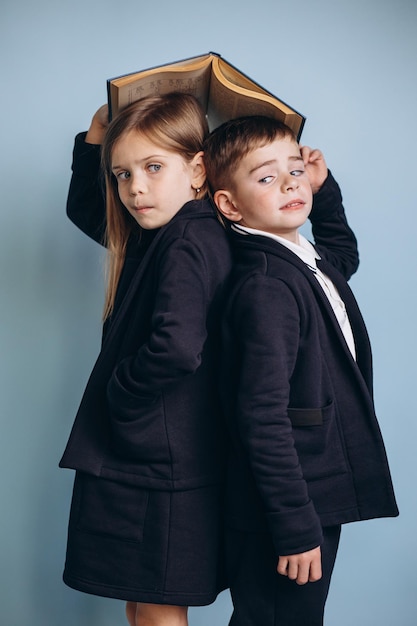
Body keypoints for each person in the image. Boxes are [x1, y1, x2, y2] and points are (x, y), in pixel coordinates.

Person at [203, 115, 399, 625]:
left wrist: (323, 187)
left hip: (308, 495)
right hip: (284, 506)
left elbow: (344, 256)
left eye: (294, 170)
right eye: (266, 177)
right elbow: (260, 417)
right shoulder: (267, 286)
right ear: (229, 204)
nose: (291, 182)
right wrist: (293, 525)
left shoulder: (299, 257)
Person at [59, 93, 233, 626]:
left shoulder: (187, 239)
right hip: (153, 462)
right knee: (143, 604)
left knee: (157, 609)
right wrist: (95, 138)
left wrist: (120, 393)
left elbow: (177, 347)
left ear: (198, 169)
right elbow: (92, 212)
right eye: (122, 173)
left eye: (153, 167)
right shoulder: (165, 234)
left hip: (159, 464)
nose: (135, 188)